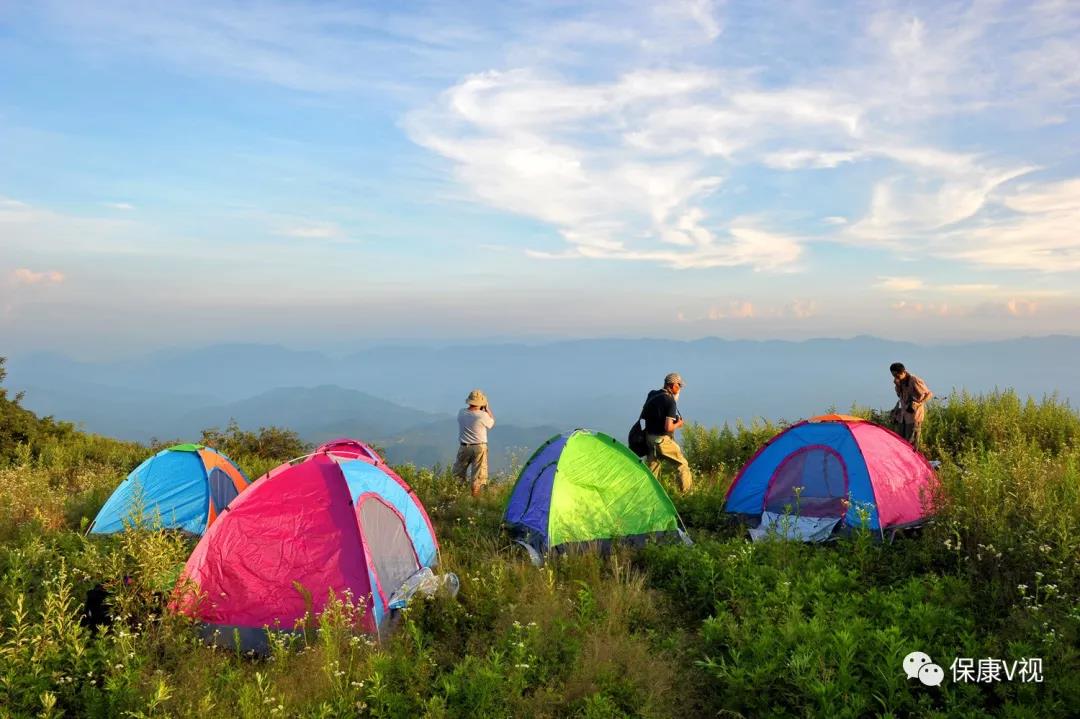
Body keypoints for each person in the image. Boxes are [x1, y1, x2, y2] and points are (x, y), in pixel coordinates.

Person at [642, 372, 693, 493]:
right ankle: (687, 495)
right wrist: (678, 424)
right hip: (661, 440)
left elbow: (653, 413)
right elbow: (669, 427)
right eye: (679, 385)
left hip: (649, 438)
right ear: (672, 385)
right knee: (682, 465)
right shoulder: (670, 401)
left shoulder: (652, 394)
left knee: (652, 470)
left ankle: (648, 495)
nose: (680, 388)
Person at [453, 389, 495, 497]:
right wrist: (487, 409)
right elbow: (491, 423)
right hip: (479, 447)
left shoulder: (461, 413)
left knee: (458, 474)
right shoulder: (482, 415)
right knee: (478, 476)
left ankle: (457, 496)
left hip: (464, 447)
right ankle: (475, 498)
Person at [890, 362, 933, 449]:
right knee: (901, 442)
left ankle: (911, 462)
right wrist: (897, 385)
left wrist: (918, 403)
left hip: (914, 416)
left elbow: (929, 394)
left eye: (897, 375)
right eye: (894, 375)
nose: (895, 377)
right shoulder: (900, 382)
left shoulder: (914, 380)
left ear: (904, 372)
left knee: (911, 444)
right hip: (903, 417)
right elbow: (900, 395)